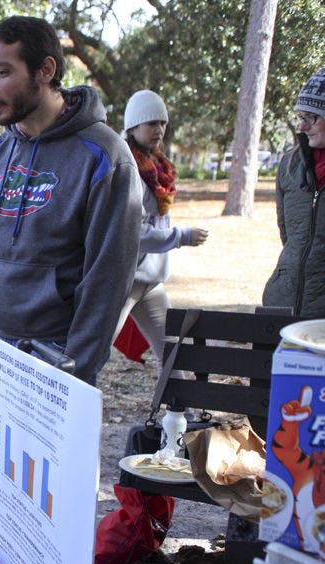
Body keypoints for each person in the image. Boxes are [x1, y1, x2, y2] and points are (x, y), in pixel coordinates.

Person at [0, 16, 142, 536]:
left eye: (3, 73)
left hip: (53, 350)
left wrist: (75, 369)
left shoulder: (105, 157)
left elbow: (108, 278)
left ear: (46, 70)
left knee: (39, 491)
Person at [114, 90, 208, 376]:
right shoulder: (126, 168)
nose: (158, 130)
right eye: (151, 123)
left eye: (162, 123)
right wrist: (180, 237)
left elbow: (157, 220)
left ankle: (183, 414)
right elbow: (133, 232)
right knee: (92, 352)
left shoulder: (159, 167)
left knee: (172, 349)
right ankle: (65, 413)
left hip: (151, 281)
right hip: (121, 281)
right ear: (133, 126)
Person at [263, 66, 325, 318]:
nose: (301, 126)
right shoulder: (289, 166)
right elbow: (288, 235)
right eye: (301, 115)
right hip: (282, 303)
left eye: (312, 117)